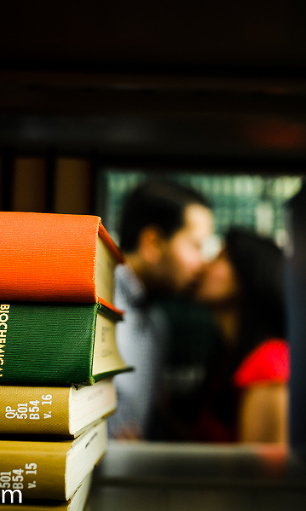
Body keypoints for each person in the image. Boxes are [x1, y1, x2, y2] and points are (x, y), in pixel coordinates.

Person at [108, 180, 214, 440]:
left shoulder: (157, 323)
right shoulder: (95, 307)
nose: (203, 264)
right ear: (153, 243)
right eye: (196, 246)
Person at [193, 227, 289, 444]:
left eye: (221, 258)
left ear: (249, 274)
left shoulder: (268, 364)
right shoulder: (228, 356)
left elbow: (259, 474)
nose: (205, 266)